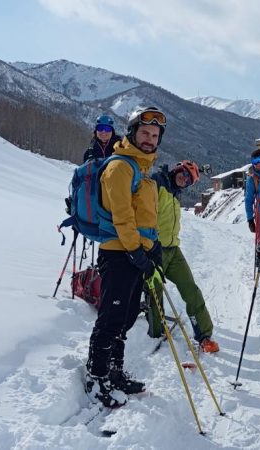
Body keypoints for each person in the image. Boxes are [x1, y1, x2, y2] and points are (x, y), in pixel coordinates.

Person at [85, 106, 167, 408]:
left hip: (135, 254)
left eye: (155, 135)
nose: (149, 139)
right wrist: (135, 250)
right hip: (119, 254)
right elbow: (122, 216)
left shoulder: (141, 167)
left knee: (127, 317)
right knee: (111, 318)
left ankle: (115, 371)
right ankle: (97, 378)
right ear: (133, 133)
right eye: (145, 133)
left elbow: (143, 215)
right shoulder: (120, 167)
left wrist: (151, 246)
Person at [146, 160, 220, 353]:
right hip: (155, 248)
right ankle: (156, 331)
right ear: (177, 169)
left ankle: (204, 334)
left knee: (190, 289)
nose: (184, 179)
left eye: (189, 180)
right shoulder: (158, 183)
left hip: (173, 250)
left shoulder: (174, 193)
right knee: (155, 291)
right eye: (184, 174)